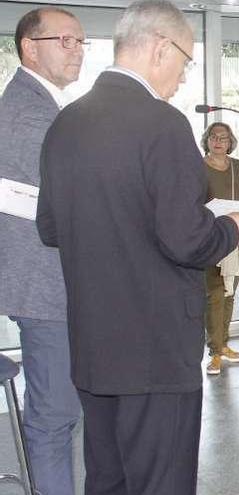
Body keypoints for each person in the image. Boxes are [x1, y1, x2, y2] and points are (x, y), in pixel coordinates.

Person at [36, 1, 239, 492]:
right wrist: (234, 230)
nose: (182, 77)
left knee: (108, 478)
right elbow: (187, 239)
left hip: (94, 346)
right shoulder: (162, 123)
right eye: (185, 61)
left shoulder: (65, 123)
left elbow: (50, 228)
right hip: (155, 351)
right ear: (162, 47)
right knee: (161, 481)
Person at [0, 7, 84, 495]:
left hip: (56, 284)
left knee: (66, 414)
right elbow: (74, 191)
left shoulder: (45, 105)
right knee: (53, 419)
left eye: (79, 42)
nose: (76, 51)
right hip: (46, 288)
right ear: (30, 47)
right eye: (65, 41)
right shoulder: (28, 112)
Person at [201, 122, 239, 375]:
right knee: (213, 292)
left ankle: (224, 344)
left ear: (231, 141)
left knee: (229, 290)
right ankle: (214, 351)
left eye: (223, 137)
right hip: (210, 236)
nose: (218, 141)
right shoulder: (197, 167)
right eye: (213, 137)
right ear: (207, 140)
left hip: (237, 235)